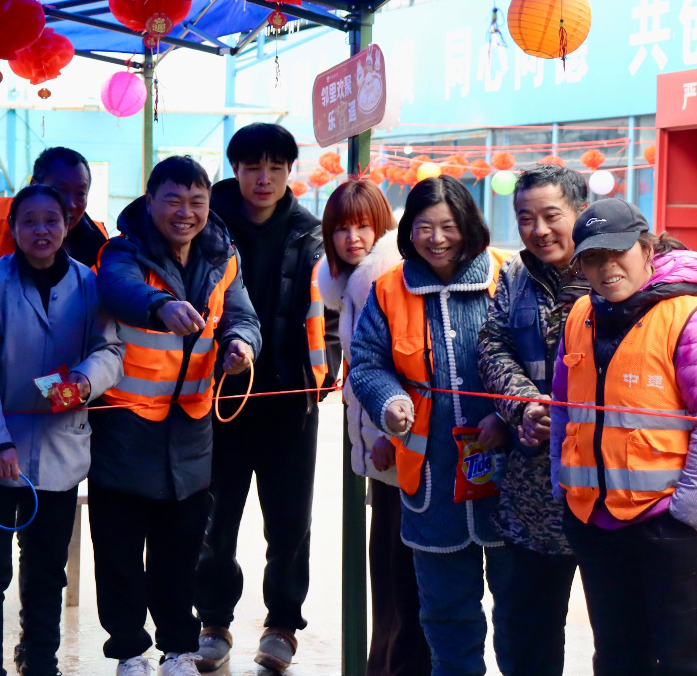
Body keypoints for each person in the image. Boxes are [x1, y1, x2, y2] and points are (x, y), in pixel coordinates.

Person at [548, 198, 697, 676]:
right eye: (593, 257)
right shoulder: (579, 316)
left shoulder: (688, 317)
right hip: (596, 524)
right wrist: (562, 486)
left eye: (618, 252)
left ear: (647, 249)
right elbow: (562, 410)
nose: (606, 267)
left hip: (670, 527)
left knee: (684, 662)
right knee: (617, 658)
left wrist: (689, 516)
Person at [90, 156, 261, 676]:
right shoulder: (123, 251)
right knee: (119, 552)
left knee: (181, 550)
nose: (185, 212)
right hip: (126, 424)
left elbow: (242, 316)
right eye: (173, 199)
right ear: (150, 201)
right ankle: (128, 651)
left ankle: (179, 648)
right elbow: (118, 289)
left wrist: (240, 345)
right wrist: (160, 306)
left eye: (196, 201)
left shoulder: (222, 256)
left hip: (191, 428)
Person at [0, 146, 107, 674]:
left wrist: (86, 380)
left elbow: (110, 349)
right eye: (29, 221)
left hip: (60, 453)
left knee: (46, 572)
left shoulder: (90, 283)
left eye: (51, 220)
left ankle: (40, 661)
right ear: (12, 227)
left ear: (66, 225)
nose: (42, 230)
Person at [349, 174, 512, 676]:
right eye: (424, 227)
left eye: (448, 226)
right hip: (431, 479)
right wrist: (389, 402)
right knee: (444, 613)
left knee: (518, 612)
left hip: (508, 477)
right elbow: (367, 363)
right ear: (408, 232)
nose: (436, 239)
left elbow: (534, 356)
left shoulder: (507, 276)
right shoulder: (389, 289)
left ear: (469, 225)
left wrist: (507, 413)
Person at [196, 124, 334, 674]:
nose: (264, 178)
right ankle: (213, 619)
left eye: (276, 167)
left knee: (289, 522)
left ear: (289, 172)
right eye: (253, 166)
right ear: (235, 169)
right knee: (214, 518)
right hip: (216, 401)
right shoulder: (206, 226)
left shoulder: (311, 233)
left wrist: (327, 370)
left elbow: (335, 310)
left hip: (290, 402)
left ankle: (282, 623)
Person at [475, 165, 589, 676]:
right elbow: (492, 345)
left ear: (580, 212)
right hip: (532, 489)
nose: (539, 230)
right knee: (525, 628)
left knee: (623, 629)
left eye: (551, 215)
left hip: (607, 487)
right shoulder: (515, 277)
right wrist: (523, 406)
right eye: (526, 218)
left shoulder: (615, 271)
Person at [315, 180, 430, 676]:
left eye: (363, 226)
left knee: (400, 576)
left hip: (400, 447)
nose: (352, 238)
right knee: (384, 570)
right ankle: (380, 664)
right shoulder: (349, 283)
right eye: (341, 229)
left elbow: (409, 367)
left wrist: (390, 434)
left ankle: (389, 667)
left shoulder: (386, 278)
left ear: (382, 226)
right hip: (383, 452)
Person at [0, 146, 108, 266]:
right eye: (59, 190)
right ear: (33, 186)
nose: (70, 204)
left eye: (80, 193)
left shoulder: (100, 245)